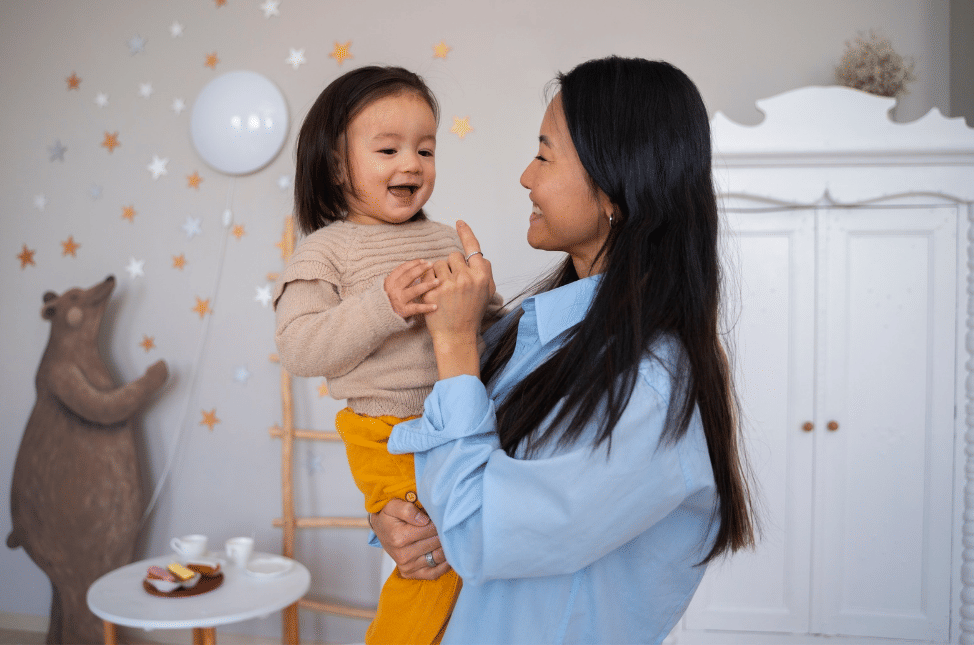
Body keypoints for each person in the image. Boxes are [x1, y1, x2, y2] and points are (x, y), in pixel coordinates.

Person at [369, 56, 757, 644]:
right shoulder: (528, 327)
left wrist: (450, 343)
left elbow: (480, 533)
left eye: (546, 154)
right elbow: (450, 478)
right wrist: (395, 519)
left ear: (616, 192)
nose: (527, 175)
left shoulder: (650, 386)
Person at [273, 65, 500, 645]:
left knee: (471, 555)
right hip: (387, 431)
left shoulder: (446, 237)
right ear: (336, 163)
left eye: (425, 149)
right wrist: (383, 305)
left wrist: (487, 299)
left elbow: (485, 328)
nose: (412, 165)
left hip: (460, 421)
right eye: (388, 149)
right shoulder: (325, 251)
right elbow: (299, 347)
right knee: (429, 560)